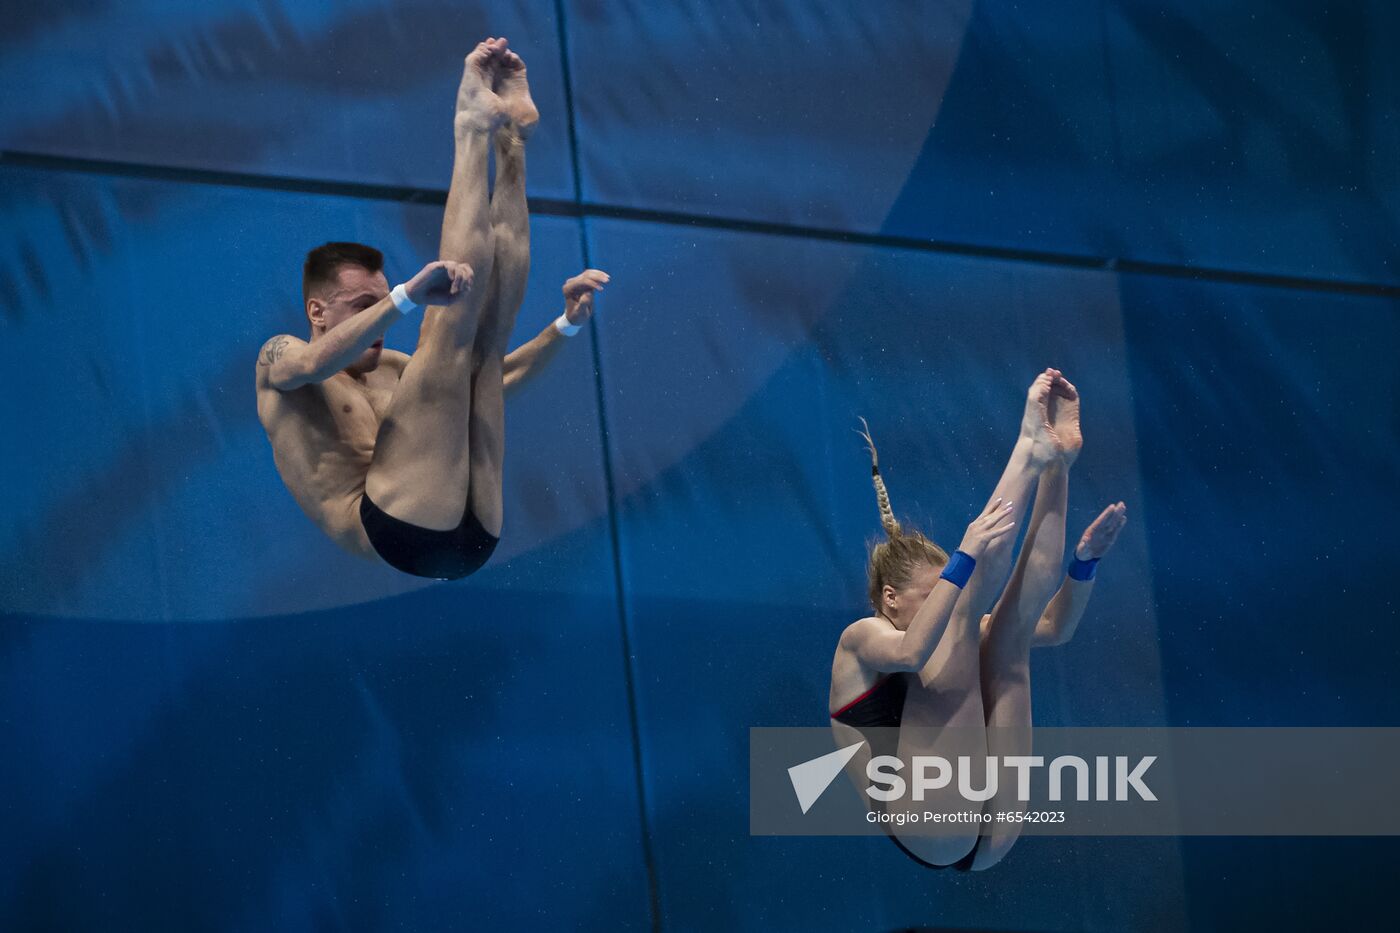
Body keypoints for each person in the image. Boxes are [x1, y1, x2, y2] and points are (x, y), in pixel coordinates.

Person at [255, 38, 609, 579]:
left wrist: (565, 326)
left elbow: (508, 373)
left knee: (486, 349)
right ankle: (470, 128)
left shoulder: (395, 372)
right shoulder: (280, 358)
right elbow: (312, 366)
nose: (379, 319)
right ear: (318, 310)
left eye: (383, 297)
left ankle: (513, 143)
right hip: (392, 530)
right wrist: (404, 298)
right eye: (361, 306)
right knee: (447, 328)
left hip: (473, 538)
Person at [829, 370, 1128, 869]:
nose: (946, 599)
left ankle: (1052, 463)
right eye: (934, 593)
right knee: (964, 622)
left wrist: (1083, 562)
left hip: (992, 831)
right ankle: (1027, 449)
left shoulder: (956, 633)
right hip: (923, 821)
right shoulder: (860, 641)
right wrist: (964, 558)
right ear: (890, 599)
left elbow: (1056, 626)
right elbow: (911, 653)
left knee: (1007, 643)